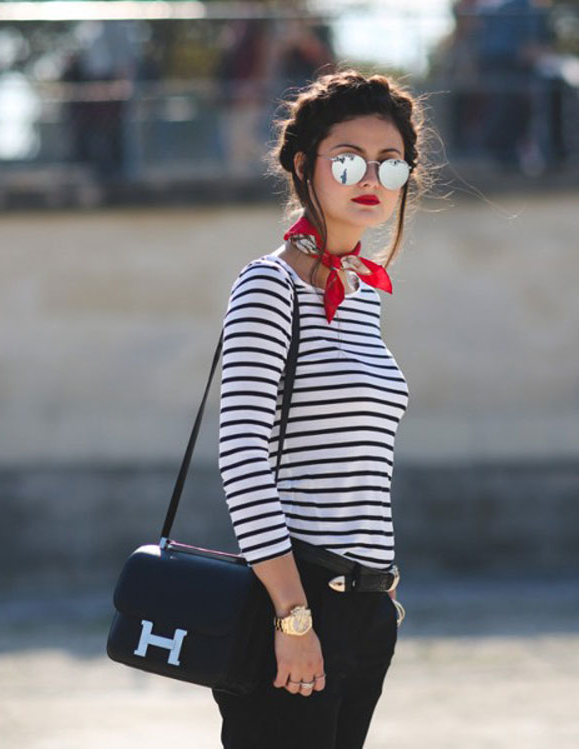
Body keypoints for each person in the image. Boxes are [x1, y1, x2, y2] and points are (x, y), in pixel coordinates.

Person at [210, 70, 428, 748]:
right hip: (297, 597)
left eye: (391, 163)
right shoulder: (268, 285)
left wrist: (376, 599)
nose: (372, 178)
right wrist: (293, 615)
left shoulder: (363, 293)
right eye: (349, 160)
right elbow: (241, 455)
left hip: (367, 607)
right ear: (305, 166)